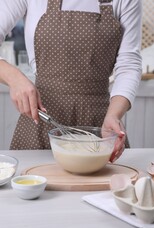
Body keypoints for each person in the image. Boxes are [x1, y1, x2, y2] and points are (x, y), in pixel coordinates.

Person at [0, 0, 142, 162]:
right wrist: (14, 78)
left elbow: (129, 64)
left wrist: (114, 115)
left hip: (101, 127)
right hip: (40, 122)